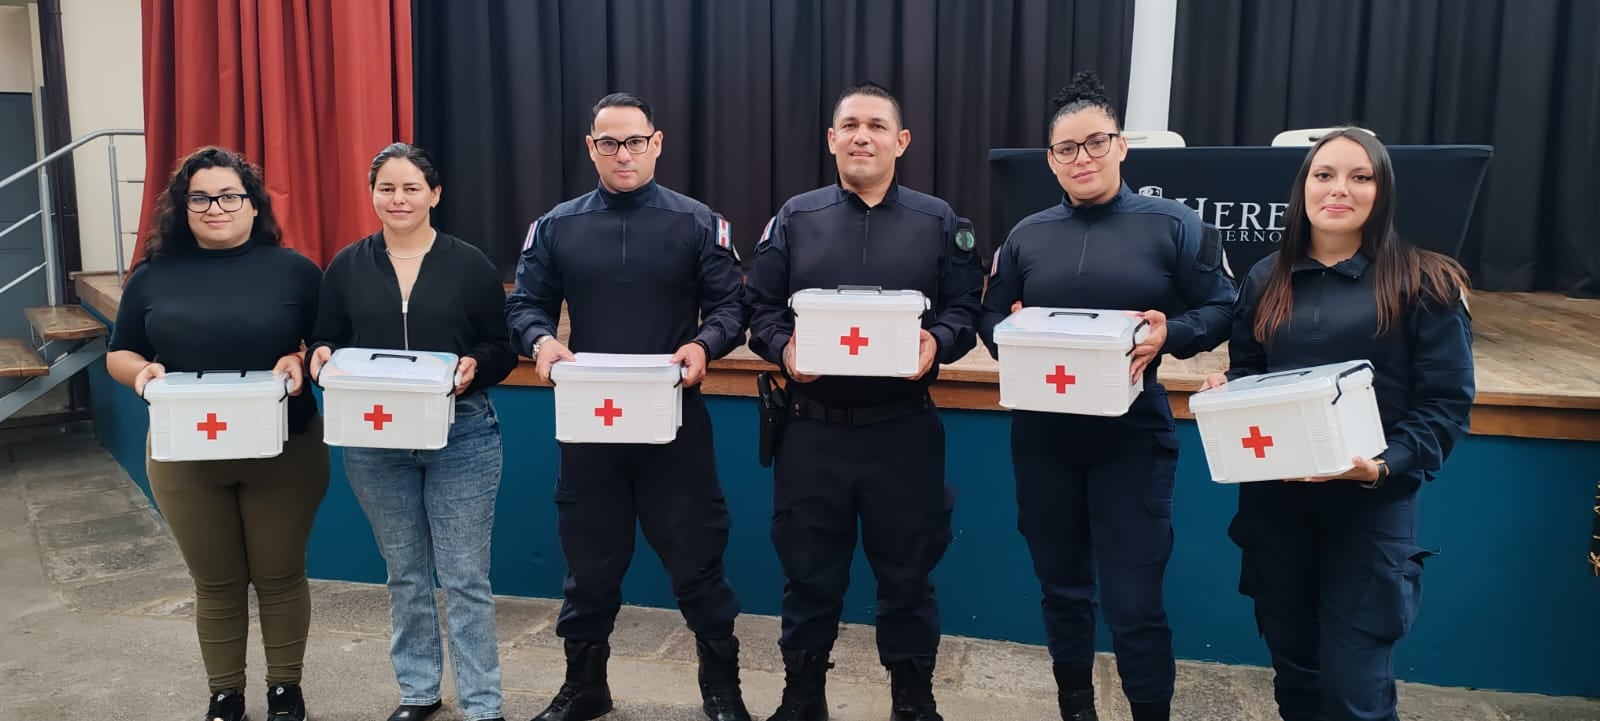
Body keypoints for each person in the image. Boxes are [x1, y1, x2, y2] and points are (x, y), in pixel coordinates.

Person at [977, 72, 1236, 721]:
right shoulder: (1026, 235)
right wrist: (1012, 335)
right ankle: (1076, 710)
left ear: (1121, 146)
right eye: (1068, 148)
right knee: (1062, 591)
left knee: (1134, 600)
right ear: (1050, 159)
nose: (1083, 157)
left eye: (1096, 142)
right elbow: (986, 316)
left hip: (1133, 441)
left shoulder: (1175, 226)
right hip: (1042, 439)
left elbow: (1224, 305)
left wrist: (1169, 333)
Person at [1200, 127, 1474, 721]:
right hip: (1276, 509)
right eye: (1324, 175)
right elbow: (1250, 370)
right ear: (1303, 188)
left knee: (1356, 693)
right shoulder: (1264, 279)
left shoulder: (1426, 282)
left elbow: (1445, 405)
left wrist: (1380, 466)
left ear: (1383, 190)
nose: (1339, 190)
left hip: (1370, 513)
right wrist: (1230, 388)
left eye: (1360, 176)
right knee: (1295, 679)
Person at [505, 92, 750, 721]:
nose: (623, 153)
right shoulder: (557, 226)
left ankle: (721, 690)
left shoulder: (699, 223)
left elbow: (732, 307)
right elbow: (524, 304)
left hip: (673, 423)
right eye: (608, 142)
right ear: (591, 147)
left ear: (657, 143)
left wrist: (703, 345)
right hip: (591, 426)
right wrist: (541, 340)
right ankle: (586, 685)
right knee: (588, 567)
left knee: (698, 562)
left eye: (635, 141)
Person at [743, 81, 983, 721]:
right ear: (831, 138)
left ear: (901, 141)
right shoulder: (796, 218)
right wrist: (783, 350)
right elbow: (758, 310)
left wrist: (938, 342)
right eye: (849, 124)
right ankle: (801, 698)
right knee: (808, 575)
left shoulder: (938, 223)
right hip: (811, 433)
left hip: (901, 433)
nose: (862, 136)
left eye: (877, 125)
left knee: (907, 576)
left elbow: (967, 310)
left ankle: (913, 699)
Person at [106, 146, 328, 721]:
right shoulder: (152, 276)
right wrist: (142, 372)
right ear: (182, 208)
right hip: (186, 453)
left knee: (280, 576)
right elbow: (120, 353)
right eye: (199, 197)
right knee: (217, 582)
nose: (215, 208)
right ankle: (225, 694)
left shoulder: (297, 271)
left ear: (254, 206)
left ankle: (286, 691)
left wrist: (302, 357)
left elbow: (328, 345)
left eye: (230, 195)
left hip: (284, 450)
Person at [307, 143, 517, 721]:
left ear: (435, 194)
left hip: (462, 435)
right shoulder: (347, 265)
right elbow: (325, 336)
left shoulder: (469, 263)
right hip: (375, 440)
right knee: (404, 573)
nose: (398, 199)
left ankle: (482, 704)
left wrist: (476, 366)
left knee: (465, 577)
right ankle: (419, 691)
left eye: (411, 188)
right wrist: (321, 355)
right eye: (386, 188)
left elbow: (501, 347)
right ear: (371, 193)